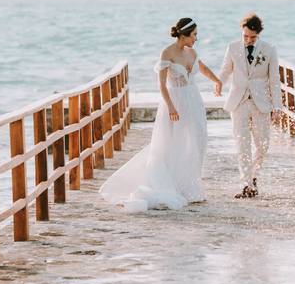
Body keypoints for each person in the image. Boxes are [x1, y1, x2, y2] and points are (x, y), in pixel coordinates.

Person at [99, 17, 222, 211]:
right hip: (175, 101)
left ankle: (189, 184)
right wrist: (171, 107)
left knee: (198, 139)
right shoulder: (167, 53)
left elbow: (203, 68)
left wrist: (217, 81)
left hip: (193, 100)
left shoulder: (192, 52)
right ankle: (173, 184)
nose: (196, 38)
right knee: (173, 142)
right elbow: (162, 85)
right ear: (184, 34)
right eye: (194, 35)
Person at [219, 12, 281, 198]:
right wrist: (218, 82)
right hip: (238, 102)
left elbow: (274, 80)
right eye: (245, 36)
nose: (248, 40)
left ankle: (253, 176)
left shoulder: (269, 50)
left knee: (263, 145)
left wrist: (277, 106)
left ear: (259, 34)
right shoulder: (232, 47)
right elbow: (225, 70)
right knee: (242, 144)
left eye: (252, 37)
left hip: (261, 103)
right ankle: (246, 184)